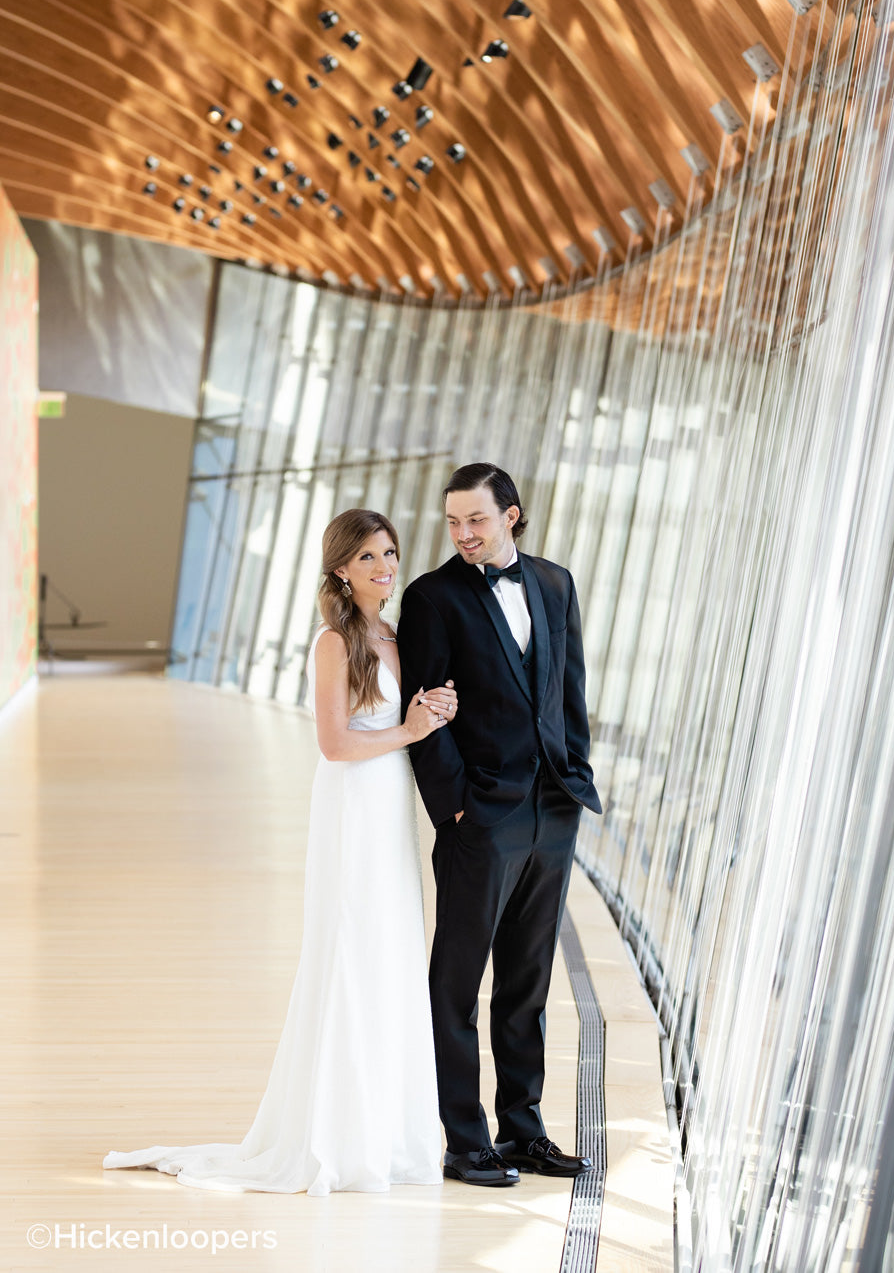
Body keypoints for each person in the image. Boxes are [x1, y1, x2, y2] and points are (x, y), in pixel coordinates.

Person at [104, 509, 455, 1195]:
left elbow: (399, 719)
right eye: (367, 557)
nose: (384, 566)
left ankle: (386, 1133)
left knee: (390, 954)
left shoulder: (393, 631)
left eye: (389, 552)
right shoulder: (335, 641)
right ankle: (335, 1136)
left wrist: (430, 710)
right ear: (339, 570)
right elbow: (334, 743)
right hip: (352, 806)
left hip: (389, 810)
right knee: (350, 952)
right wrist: (410, 729)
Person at [397, 463, 602, 1187]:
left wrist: (573, 780)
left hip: (551, 811)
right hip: (480, 816)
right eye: (453, 522)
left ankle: (523, 1130)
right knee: (457, 982)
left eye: (476, 520)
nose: (463, 534)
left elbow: (568, 688)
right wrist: (454, 806)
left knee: (528, 979)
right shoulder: (431, 598)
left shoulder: (554, 583)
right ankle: (463, 1139)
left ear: (511, 515)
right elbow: (422, 714)